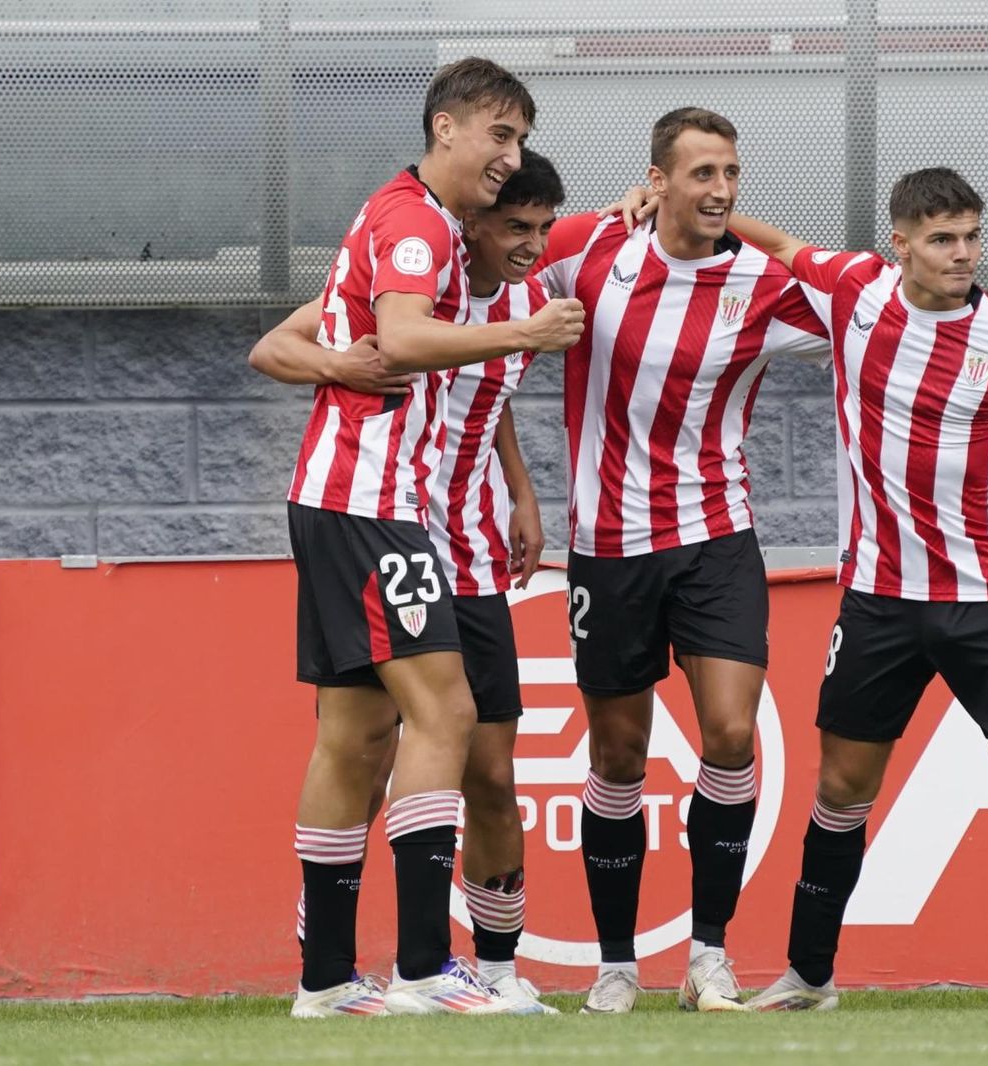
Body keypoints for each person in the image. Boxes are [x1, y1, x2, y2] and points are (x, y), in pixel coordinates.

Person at [709, 168, 988, 1011]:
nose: (962, 254)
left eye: (972, 237)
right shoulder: (854, 292)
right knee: (841, 788)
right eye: (942, 239)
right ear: (898, 243)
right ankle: (809, 976)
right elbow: (783, 247)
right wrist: (698, 209)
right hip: (879, 597)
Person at [266, 57, 583, 1018]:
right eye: (498, 136)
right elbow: (401, 338)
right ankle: (421, 967)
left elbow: (368, 334)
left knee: (356, 735)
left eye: (519, 141)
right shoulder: (415, 226)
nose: (508, 157)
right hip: (372, 505)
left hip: (352, 503)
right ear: (445, 127)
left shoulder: (429, 223)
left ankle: (323, 983)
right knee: (445, 717)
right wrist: (524, 338)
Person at [527, 107, 845, 1014]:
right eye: (702, 173)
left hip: (717, 537)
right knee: (620, 755)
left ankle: (709, 954)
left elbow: (882, 312)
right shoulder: (595, 251)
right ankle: (617, 964)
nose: (721, 190)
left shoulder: (762, 282)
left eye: (731, 173)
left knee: (733, 735)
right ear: (657, 179)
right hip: (610, 547)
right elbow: (495, 255)